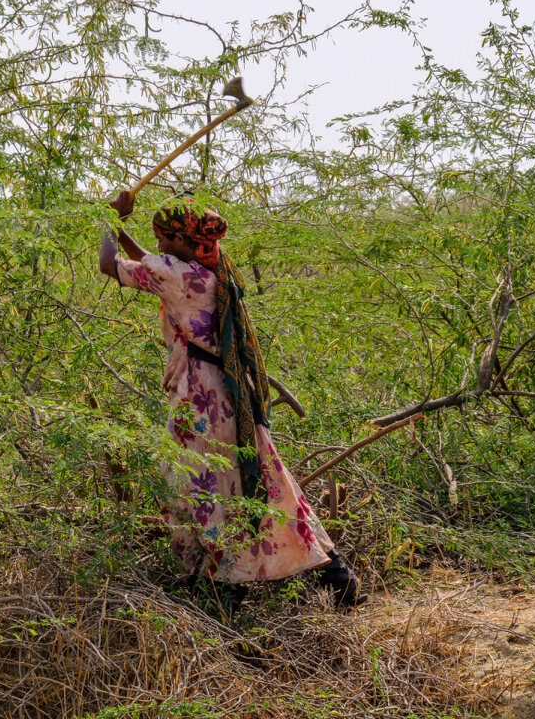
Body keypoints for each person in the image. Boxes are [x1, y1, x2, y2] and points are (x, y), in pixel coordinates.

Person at [98, 189, 364, 613]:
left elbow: (108, 265)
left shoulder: (179, 275)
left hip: (200, 400)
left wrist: (109, 218)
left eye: (166, 238)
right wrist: (133, 234)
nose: (161, 246)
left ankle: (226, 591)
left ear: (185, 243)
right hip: (227, 395)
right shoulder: (212, 269)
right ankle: (335, 576)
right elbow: (153, 261)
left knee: (204, 488)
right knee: (260, 483)